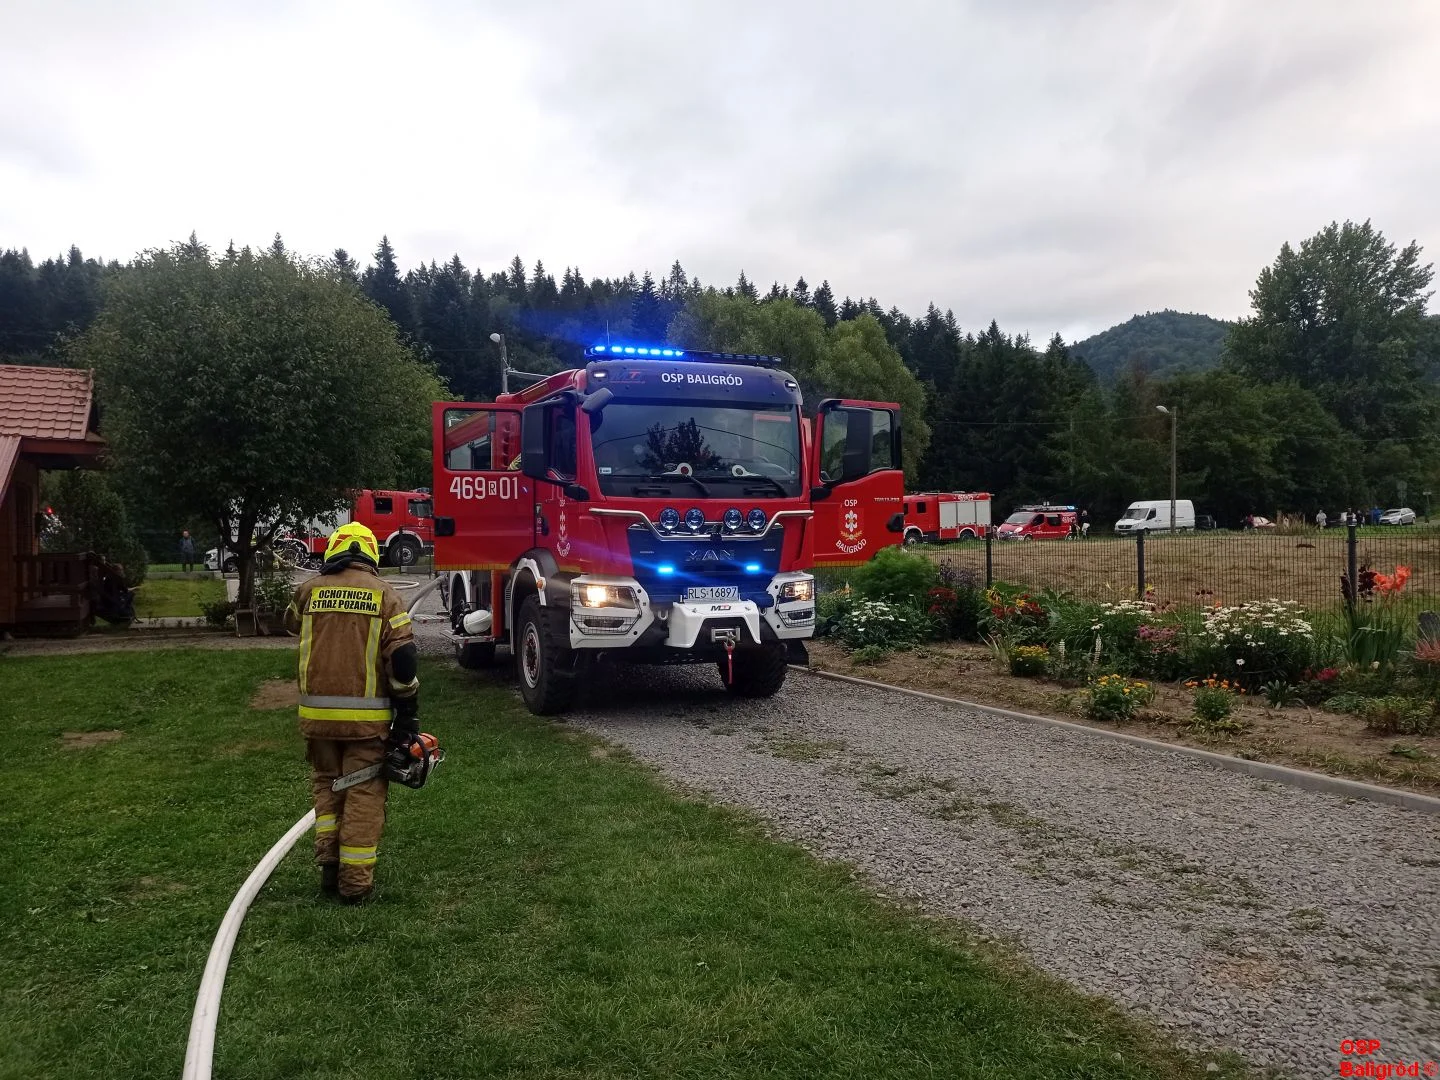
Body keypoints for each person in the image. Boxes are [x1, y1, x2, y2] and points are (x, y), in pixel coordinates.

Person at [284, 522, 420, 904]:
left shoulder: (309, 590)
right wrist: (407, 705)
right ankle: (355, 884)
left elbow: (289, 623)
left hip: (316, 720)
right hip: (366, 722)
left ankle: (329, 865)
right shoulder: (385, 595)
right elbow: (404, 660)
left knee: (327, 784)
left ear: (333, 552)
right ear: (372, 555)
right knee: (363, 794)